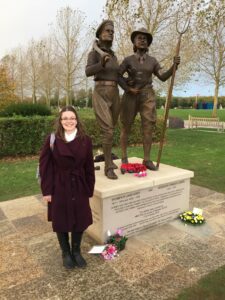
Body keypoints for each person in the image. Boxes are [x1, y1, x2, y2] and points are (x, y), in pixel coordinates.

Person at [39, 106, 95, 269]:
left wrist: (89, 187)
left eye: (72, 118)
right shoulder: (52, 140)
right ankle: (66, 253)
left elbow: (89, 166)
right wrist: (47, 190)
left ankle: (76, 251)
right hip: (59, 185)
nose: (69, 121)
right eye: (65, 118)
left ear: (77, 120)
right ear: (60, 121)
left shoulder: (86, 139)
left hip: (79, 185)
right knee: (60, 219)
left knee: (80, 218)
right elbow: (45, 167)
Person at [119, 28, 180, 170]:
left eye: (145, 39)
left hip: (147, 95)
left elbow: (163, 76)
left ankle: (146, 159)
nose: (142, 40)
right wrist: (127, 88)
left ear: (148, 44)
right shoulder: (128, 60)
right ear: (134, 42)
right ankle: (124, 157)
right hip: (130, 96)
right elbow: (117, 76)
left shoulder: (152, 61)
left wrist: (174, 66)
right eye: (139, 38)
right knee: (126, 126)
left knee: (148, 127)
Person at [85, 20, 120, 180]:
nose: (111, 33)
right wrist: (100, 63)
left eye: (112, 31)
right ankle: (108, 166)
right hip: (101, 92)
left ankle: (109, 160)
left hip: (115, 92)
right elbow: (88, 72)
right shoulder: (94, 53)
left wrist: (130, 88)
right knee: (108, 130)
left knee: (111, 129)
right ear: (100, 34)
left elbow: (117, 76)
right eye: (107, 30)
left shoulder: (113, 55)